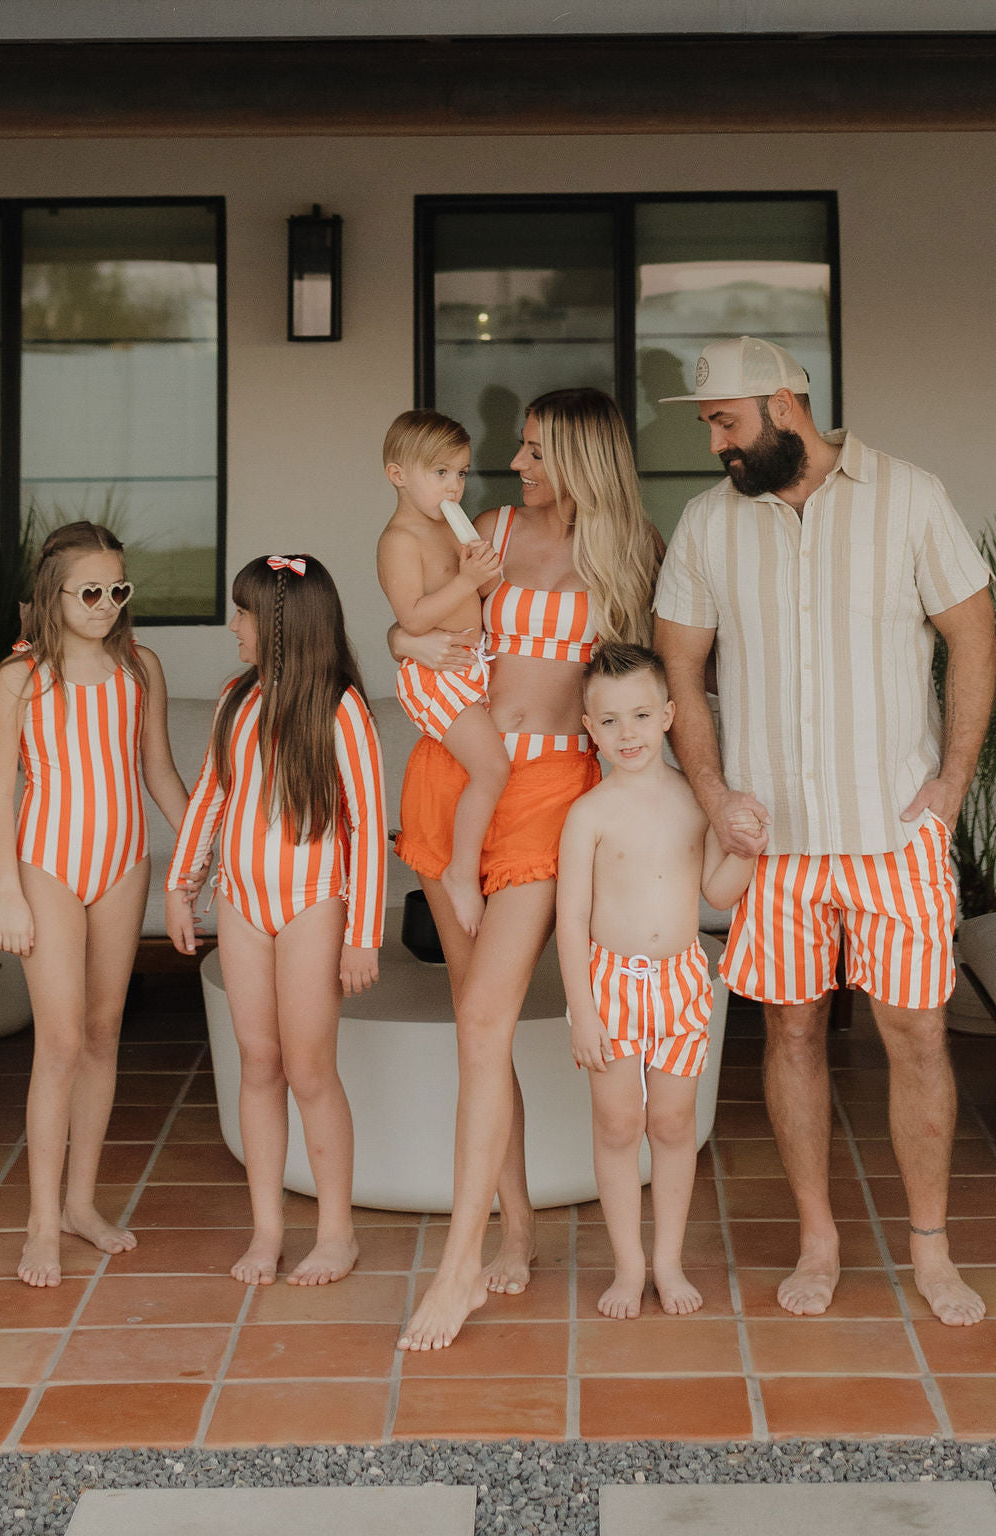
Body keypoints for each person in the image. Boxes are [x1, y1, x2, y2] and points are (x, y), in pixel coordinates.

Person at [654, 334, 996, 1327]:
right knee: (792, 1033)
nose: (715, 442)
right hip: (779, 849)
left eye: (725, 421)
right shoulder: (707, 524)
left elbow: (973, 632)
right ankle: (818, 1237)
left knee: (916, 1038)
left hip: (894, 834)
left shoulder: (908, 495)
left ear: (784, 403)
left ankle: (929, 1249)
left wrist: (953, 779)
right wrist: (713, 792)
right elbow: (681, 673)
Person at [391, 387, 665, 1349]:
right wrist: (399, 637)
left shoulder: (632, 554)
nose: (516, 461)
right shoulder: (488, 527)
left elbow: (657, 693)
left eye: (538, 448)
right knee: (482, 1027)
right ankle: (512, 1228)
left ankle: (459, 1266)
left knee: (479, 1015)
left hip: (551, 795)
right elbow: (415, 617)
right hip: (457, 771)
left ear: (584, 459)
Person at [165, 555, 386, 1287]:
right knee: (258, 1062)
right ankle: (267, 1230)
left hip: (313, 904)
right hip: (242, 904)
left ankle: (335, 1233)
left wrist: (362, 934)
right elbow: (210, 798)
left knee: (309, 1069)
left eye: (243, 613)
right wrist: (180, 885)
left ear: (282, 626)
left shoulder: (342, 709)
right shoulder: (236, 699)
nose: (233, 626)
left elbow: (366, 821)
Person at [0, 521, 192, 1288]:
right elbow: (0, 796)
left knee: (104, 1035)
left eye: (119, 590)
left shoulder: (141, 667)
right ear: (54, 595)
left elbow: (161, 772)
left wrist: (211, 839)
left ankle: (80, 1203)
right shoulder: (19, 681)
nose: (107, 605)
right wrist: (9, 892)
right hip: (47, 867)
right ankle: (40, 1222)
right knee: (62, 1041)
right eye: (91, 592)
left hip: (122, 865)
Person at [557, 643, 764, 1319]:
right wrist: (582, 1011)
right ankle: (627, 1264)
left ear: (670, 715)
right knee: (618, 1123)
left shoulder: (692, 801)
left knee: (673, 1123)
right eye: (610, 721)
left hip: (681, 983)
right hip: (610, 982)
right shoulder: (588, 814)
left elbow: (716, 890)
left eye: (641, 716)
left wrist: (748, 853)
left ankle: (668, 1260)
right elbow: (570, 921)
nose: (628, 734)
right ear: (590, 727)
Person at [377, 409, 508, 936]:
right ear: (398, 475)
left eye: (460, 473)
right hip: (434, 675)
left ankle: (466, 862)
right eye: (440, 473)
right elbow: (412, 616)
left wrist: (483, 575)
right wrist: (466, 581)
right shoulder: (400, 539)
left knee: (484, 770)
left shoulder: (449, 529)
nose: (454, 485)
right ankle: (458, 872)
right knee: (492, 769)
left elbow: (474, 598)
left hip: (467, 667)